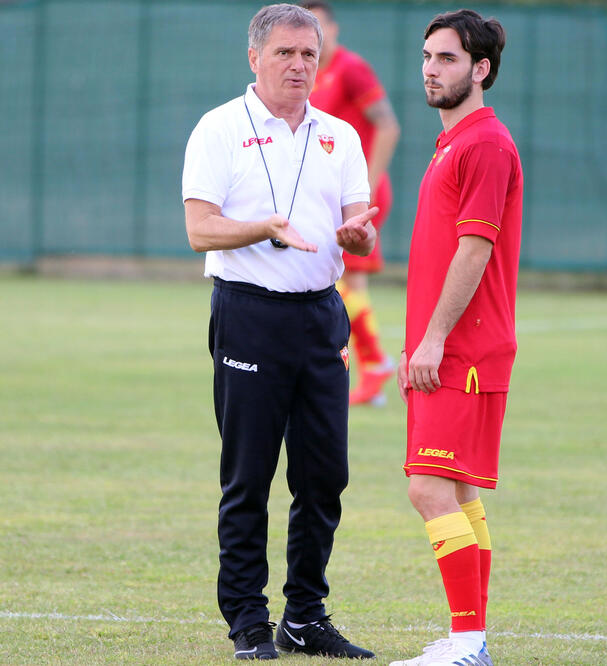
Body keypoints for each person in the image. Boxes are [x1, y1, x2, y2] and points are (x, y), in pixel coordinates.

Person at [182, 4, 377, 660]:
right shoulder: (218, 129)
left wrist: (359, 234)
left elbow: (359, 220)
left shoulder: (339, 135)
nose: (299, 66)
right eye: (286, 53)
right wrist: (263, 227)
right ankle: (246, 622)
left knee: (325, 475)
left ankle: (305, 616)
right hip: (249, 314)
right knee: (249, 475)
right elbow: (199, 229)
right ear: (255, 58)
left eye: (309, 55)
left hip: (322, 314)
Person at [390, 10, 522, 666]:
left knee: (428, 487)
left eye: (446, 59)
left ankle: (469, 643)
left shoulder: (484, 144)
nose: (430, 69)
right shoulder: (452, 143)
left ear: (481, 69)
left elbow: (475, 249)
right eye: (427, 57)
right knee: (458, 487)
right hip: (447, 344)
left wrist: (435, 339)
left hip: (464, 346)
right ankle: (469, 636)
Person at [303, 1, 401, 407]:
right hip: (326, 198)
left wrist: (371, 184)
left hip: (357, 197)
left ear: (334, 27)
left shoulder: (350, 67)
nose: (315, 36)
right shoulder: (308, 74)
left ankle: (375, 364)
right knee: (341, 284)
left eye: (320, 26)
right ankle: (372, 365)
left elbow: (388, 125)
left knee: (349, 284)